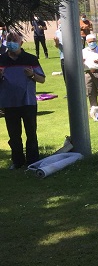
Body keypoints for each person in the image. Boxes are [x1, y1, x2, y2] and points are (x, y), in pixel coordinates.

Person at [0, 32, 46, 169]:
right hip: (9, 103)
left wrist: (32, 74)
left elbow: (42, 79)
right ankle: (17, 161)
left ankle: (32, 160)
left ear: (21, 43)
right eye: (9, 40)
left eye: (14, 40)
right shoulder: (1, 59)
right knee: (14, 134)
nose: (11, 42)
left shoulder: (30, 59)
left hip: (28, 102)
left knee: (31, 132)